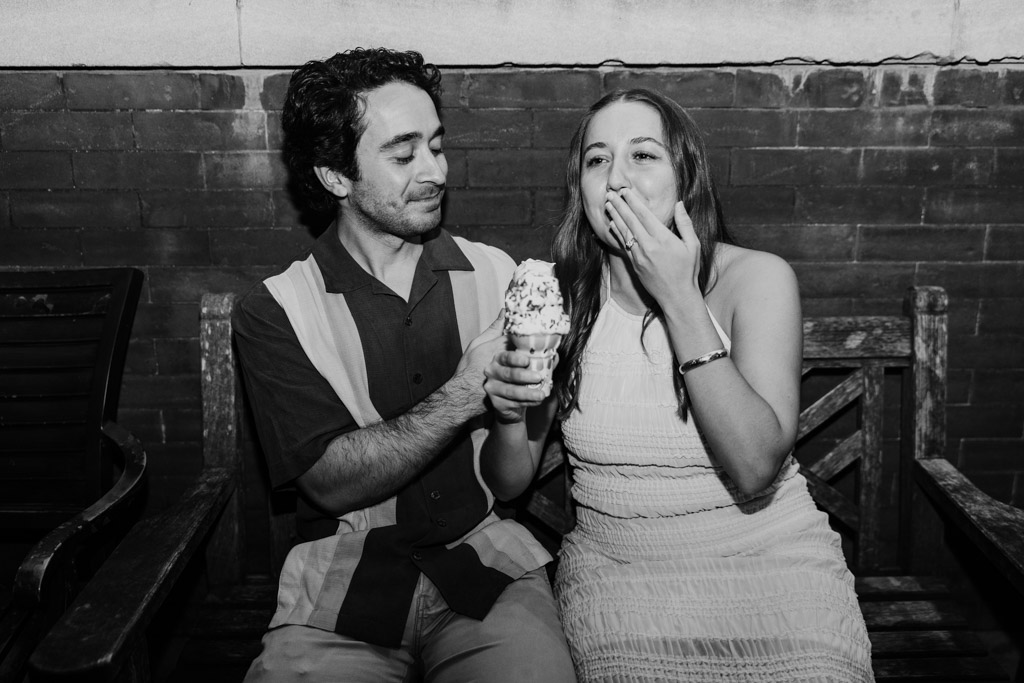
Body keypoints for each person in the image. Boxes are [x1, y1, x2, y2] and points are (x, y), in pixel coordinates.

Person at [481, 89, 874, 681]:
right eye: (596, 159)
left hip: (771, 560)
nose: (616, 178)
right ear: (579, 190)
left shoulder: (757, 280)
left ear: (684, 178)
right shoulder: (558, 296)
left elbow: (754, 466)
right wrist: (511, 411)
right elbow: (507, 482)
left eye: (643, 155)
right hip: (623, 575)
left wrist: (680, 298)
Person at [232, 47, 576, 683]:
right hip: (341, 587)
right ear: (335, 176)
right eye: (403, 153)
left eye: (438, 146)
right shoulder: (276, 309)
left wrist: (510, 406)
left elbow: (510, 485)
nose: (435, 171)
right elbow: (331, 482)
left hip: (486, 569)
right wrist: (467, 391)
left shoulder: (501, 279)